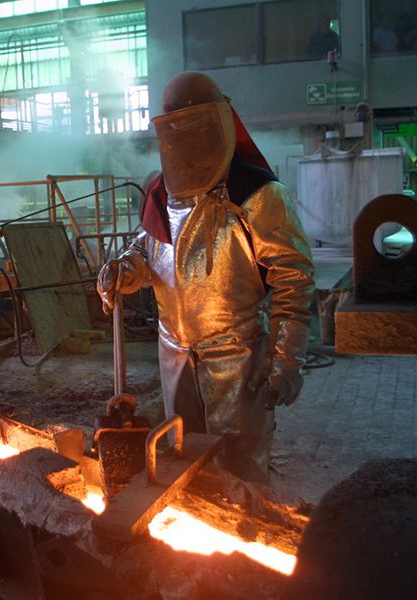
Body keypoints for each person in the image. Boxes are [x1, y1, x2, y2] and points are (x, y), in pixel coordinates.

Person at [97, 72, 315, 484]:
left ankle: (249, 539)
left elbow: (293, 279)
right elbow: (146, 251)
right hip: (174, 353)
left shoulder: (255, 193)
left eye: (191, 120)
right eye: (173, 121)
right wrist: (122, 270)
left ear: (218, 119)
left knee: (238, 469)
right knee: (183, 463)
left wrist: (285, 361)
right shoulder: (161, 192)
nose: (183, 132)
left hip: (236, 355)